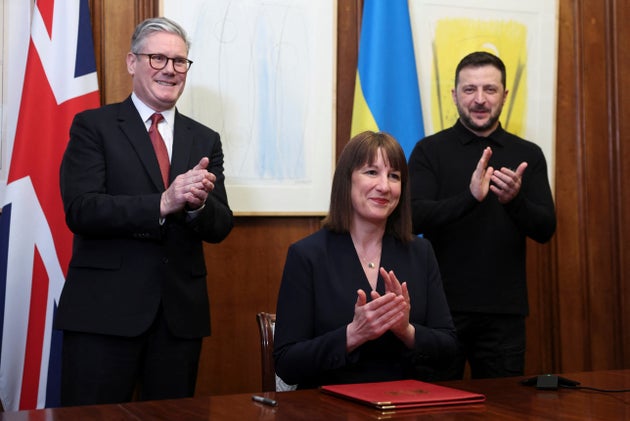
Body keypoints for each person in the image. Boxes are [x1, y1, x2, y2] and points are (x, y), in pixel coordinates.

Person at [55, 17, 234, 405]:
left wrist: (198, 205)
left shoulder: (204, 138)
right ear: (132, 62)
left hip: (178, 321)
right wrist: (163, 202)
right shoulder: (92, 126)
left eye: (180, 61)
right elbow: (82, 209)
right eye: (157, 58)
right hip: (102, 317)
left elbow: (221, 225)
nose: (170, 69)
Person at [408, 51, 556, 380]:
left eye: (489, 89)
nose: (479, 99)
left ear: (504, 95)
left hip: (504, 316)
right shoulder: (429, 151)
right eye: (469, 89)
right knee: (433, 409)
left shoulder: (528, 154)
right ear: (454, 95)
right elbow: (412, 218)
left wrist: (514, 200)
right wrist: (469, 198)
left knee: (506, 411)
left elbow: (546, 228)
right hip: (439, 312)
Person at [273, 131, 457, 389]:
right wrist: (353, 334)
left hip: (407, 405)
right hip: (330, 408)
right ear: (346, 180)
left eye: (394, 176)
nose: (384, 186)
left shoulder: (421, 252)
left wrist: (407, 331)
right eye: (371, 172)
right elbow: (287, 364)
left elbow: (449, 351)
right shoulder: (307, 255)